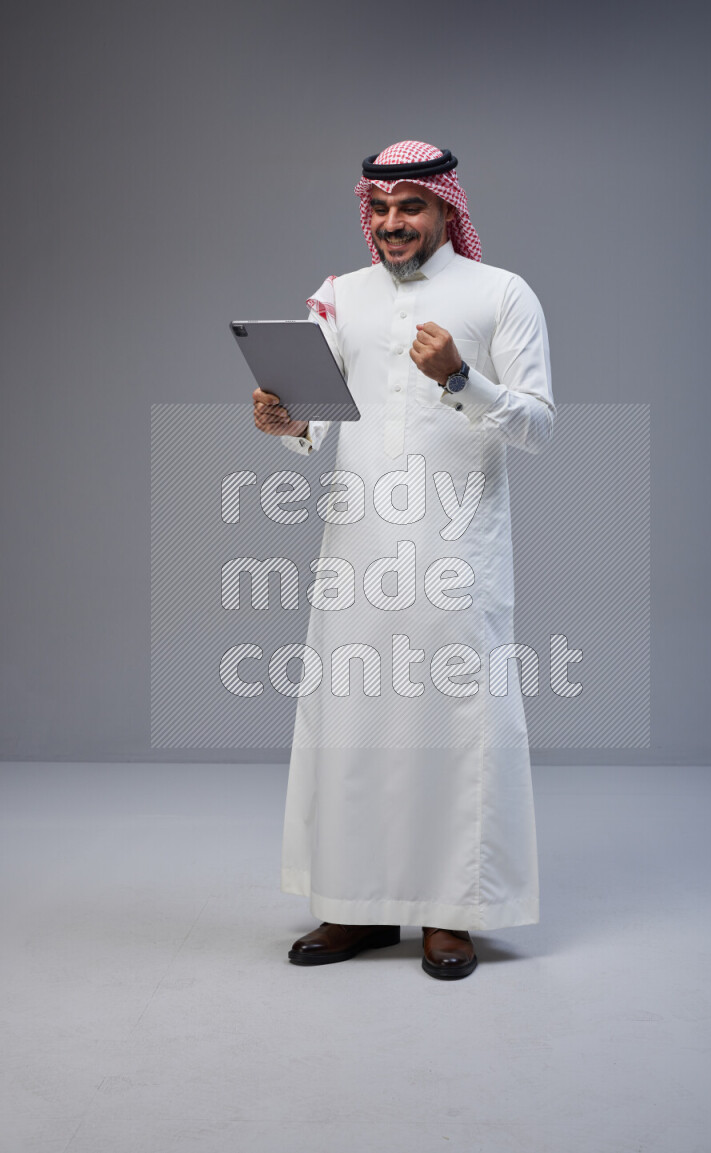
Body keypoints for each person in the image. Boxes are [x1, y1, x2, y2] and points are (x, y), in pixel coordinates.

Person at [252, 140, 555, 980]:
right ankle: (353, 905)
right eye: (379, 208)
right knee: (352, 727)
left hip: (457, 553)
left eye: (410, 206)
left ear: (445, 208)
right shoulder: (339, 296)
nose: (392, 223)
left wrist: (462, 377)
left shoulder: (501, 294)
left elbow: (537, 427)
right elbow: (318, 420)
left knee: (456, 726)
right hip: (356, 547)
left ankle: (450, 913)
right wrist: (289, 425)